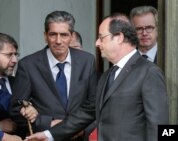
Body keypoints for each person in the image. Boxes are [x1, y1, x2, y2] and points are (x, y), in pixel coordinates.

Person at [25, 13, 169, 141]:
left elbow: (159, 126)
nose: (97, 43)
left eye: (101, 37)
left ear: (119, 37)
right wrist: (49, 135)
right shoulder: (107, 75)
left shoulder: (148, 72)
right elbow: (86, 113)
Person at [9, 11, 97, 140]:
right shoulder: (28, 65)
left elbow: (95, 105)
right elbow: (16, 109)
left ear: (72, 36)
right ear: (45, 36)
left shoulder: (87, 61)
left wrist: (80, 129)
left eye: (64, 35)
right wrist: (48, 123)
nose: (58, 41)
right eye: (53, 34)